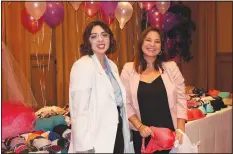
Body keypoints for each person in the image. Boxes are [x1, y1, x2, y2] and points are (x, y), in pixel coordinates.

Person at [68, 21, 133, 153]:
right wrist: (84, 146)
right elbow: (79, 110)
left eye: (104, 35)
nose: (100, 39)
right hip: (95, 137)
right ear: (88, 41)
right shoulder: (82, 65)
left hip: (117, 132)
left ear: (110, 38)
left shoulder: (112, 66)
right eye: (94, 36)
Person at [120, 26, 187, 154]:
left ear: (161, 47)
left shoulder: (171, 67)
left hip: (170, 136)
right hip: (143, 136)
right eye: (148, 40)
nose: (152, 44)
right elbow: (125, 102)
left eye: (157, 41)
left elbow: (181, 100)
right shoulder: (128, 69)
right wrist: (139, 126)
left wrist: (180, 130)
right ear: (141, 44)